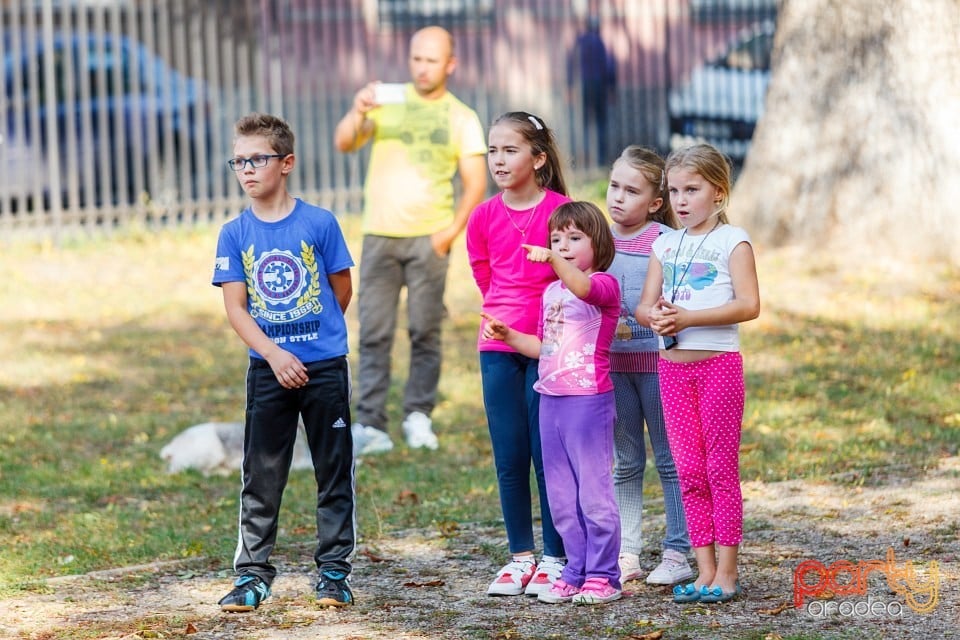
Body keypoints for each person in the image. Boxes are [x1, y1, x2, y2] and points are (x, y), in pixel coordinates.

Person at [212, 113, 357, 611]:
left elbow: (342, 288)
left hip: (325, 369)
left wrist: (315, 343)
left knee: (332, 469)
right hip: (268, 370)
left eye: (258, 159)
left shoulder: (320, 223)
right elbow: (237, 307)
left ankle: (334, 572)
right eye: (239, 161)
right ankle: (253, 576)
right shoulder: (234, 233)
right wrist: (275, 354)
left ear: (287, 162)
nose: (247, 169)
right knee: (261, 473)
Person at [333, 25, 488, 456]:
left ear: (450, 65)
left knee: (424, 330)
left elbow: (476, 183)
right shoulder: (387, 99)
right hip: (380, 234)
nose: (421, 68)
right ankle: (371, 423)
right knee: (374, 332)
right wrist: (358, 110)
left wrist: (449, 233)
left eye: (431, 60)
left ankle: (418, 415)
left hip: (429, 239)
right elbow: (345, 142)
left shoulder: (461, 116)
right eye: (416, 58)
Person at [635, 143, 760, 604]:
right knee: (688, 470)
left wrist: (688, 319)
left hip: (718, 368)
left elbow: (749, 304)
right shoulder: (664, 244)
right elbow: (645, 305)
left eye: (692, 189)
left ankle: (727, 572)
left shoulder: (733, 241)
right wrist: (658, 317)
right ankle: (703, 571)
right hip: (672, 372)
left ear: (719, 194)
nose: (681, 200)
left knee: (719, 469)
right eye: (673, 191)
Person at [481, 201, 623, 605]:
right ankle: (576, 570)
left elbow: (582, 287)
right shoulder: (551, 293)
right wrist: (508, 335)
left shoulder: (603, 284)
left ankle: (604, 575)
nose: (562, 245)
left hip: (588, 401)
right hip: (551, 401)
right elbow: (542, 347)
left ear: (599, 244)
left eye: (574, 238)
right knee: (562, 499)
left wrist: (553, 260)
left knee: (593, 495)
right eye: (556, 239)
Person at [465, 112, 570, 597]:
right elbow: (484, 275)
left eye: (510, 150)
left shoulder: (563, 211)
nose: (499, 160)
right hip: (497, 346)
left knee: (548, 455)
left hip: (550, 349)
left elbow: (577, 275)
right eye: (492, 150)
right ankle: (519, 556)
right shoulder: (483, 216)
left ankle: (555, 556)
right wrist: (503, 319)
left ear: (538, 157)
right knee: (510, 456)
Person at [605, 145, 694, 586]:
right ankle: (627, 551)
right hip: (613, 368)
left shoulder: (666, 241)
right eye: (614, 186)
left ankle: (678, 550)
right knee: (624, 461)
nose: (618, 197)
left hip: (660, 366)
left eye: (632, 191)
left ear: (655, 203)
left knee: (670, 459)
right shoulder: (598, 239)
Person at [567, 15, 617, 168]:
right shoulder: (601, 43)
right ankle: (600, 158)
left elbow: (570, 64)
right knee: (600, 122)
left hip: (582, 85)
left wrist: (570, 87)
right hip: (598, 85)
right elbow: (609, 66)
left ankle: (582, 158)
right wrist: (611, 87)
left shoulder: (579, 42)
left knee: (582, 123)